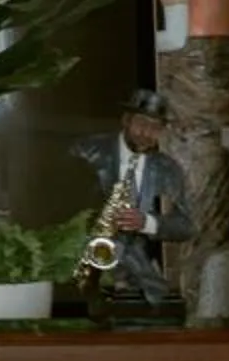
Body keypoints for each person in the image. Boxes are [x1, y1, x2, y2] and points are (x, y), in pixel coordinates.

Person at [75, 88, 194, 308]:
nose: (147, 133)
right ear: (126, 120)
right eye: (142, 124)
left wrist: (147, 222)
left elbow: (187, 226)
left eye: (155, 128)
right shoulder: (87, 151)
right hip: (84, 265)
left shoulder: (167, 168)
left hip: (138, 277)